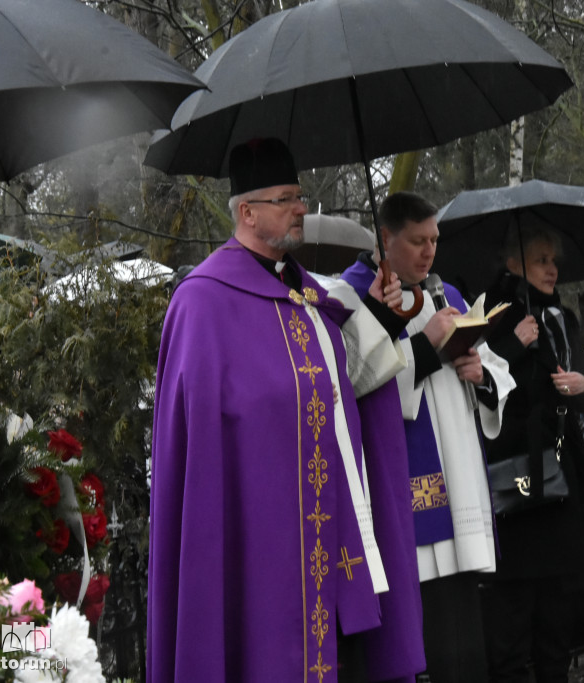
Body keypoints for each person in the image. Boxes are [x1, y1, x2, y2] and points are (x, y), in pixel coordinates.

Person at [148, 138, 425, 683]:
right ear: (247, 212)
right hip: (257, 533)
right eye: (286, 199)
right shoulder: (202, 302)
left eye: (299, 196)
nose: (301, 208)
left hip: (327, 528)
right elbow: (201, 440)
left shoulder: (310, 296)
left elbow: (345, 382)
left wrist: (380, 316)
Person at [340, 191, 515, 683]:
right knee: (428, 627)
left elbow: (499, 375)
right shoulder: (357, 296)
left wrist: (481, 373)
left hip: (459, 474)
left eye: (434, 240)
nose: (429, 252)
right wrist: (425, 344)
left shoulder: (448, 295)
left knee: (463, 626)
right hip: (406, 478)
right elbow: (357, 386)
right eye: (417, 241)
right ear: (384, 239)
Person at [479, 225, 584, 683]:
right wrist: (515, 345)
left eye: (555, 260)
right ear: (513, 264)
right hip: (516, 471)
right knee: (515, 600)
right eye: (540, 260)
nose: (552, 269)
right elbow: (483, 389)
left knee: (557, 605)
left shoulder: (562, 318)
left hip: (562, 472)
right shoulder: (493, 312)